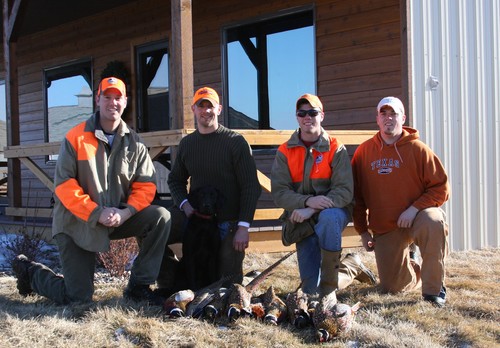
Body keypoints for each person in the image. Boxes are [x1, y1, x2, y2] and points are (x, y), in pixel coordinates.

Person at [12, 77, 171, 305]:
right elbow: (64, 185)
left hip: (117, 218)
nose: (112, 103)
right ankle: (30, 273)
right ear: (98, 99)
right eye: (107, 97)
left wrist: (126, 212)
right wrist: (97, 213)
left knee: (160, 217)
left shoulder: (135, 142)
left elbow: (145, 185)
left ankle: (139, 286)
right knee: (78, 297)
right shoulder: (75, 137)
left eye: (118, 98)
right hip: (77, 223)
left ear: (125, 102)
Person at [155, 86, 262, 294]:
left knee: (225, 286)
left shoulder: (235, 142)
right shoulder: (187, 144)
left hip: (227, 222)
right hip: (194, 218)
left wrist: (243, 226)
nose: (206, 111)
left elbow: (251, 186)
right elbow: (175, 180)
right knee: (153, 228)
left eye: (210, 106)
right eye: (201, 106)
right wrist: (184, 205)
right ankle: (169, 283)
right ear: (193, 109)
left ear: (219, 109)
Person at [270, 93, 377, 297]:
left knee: (328, 219)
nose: (307, 117)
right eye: (302, 113)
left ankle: (329, 291)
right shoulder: (285, 151)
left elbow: (345, 191)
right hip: (303, 220)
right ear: (297, 117)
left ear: (322, 116)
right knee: (310, 291)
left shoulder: (336, 148)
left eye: (312, 112)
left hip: (332, 213)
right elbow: (280, 193)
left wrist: (311, 208)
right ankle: (351, 267)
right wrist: (307, 202)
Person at [351, 96, 450, 307]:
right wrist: (363, 231)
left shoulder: (419, 149)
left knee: (433, 220)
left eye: (393, 113)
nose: (388, 118)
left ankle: (434, 290)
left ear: (402, 118)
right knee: (392, 288)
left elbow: (441, 188)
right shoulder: (363, 152)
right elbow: (356, 196)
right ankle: (414, 267)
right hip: (386, 226)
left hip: (417, 217)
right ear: (377, 119)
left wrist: (414, 209)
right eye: (383, 114)